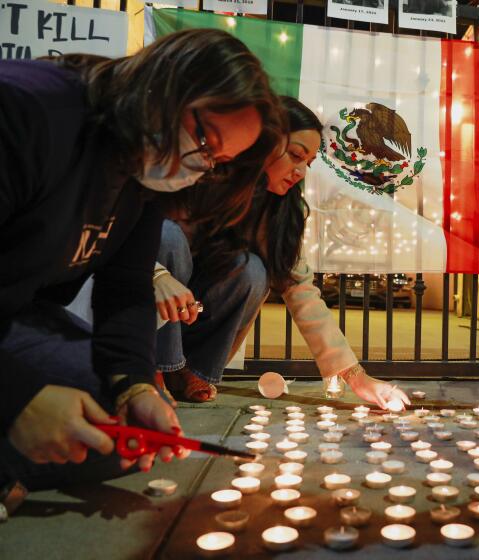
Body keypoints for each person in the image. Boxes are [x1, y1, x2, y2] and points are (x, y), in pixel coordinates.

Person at [0, 29, 282, 489]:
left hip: (17, 319)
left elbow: (127, 287)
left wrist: (135, 385)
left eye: (217, 160)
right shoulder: (28, 111)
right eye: (205, 138)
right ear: (168, 83)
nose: (200, 165)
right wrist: (18, 397)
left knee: (121, 429)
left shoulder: (141, 171)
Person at [147, 97, 410, 411]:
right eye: (295, 155)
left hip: (196, 314)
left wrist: (357, 377)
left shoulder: (277, 212)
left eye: (308, 164)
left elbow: (301, 291)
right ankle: (153, 373)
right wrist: (158, 274)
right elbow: (133, 229)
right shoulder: (203, 175)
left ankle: (190, 371)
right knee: (168, 236)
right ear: (264, 142)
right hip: (146, 306)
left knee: (252, 270)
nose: (299, 171)